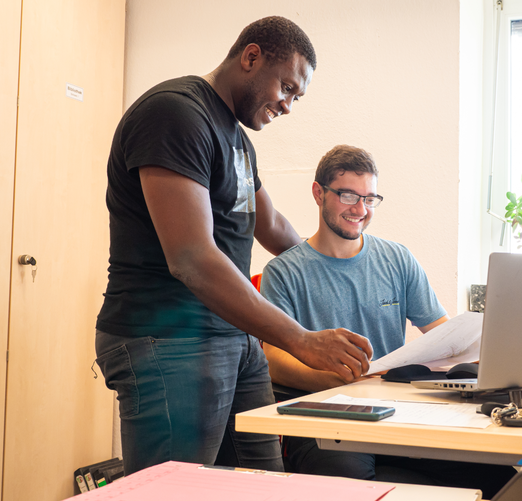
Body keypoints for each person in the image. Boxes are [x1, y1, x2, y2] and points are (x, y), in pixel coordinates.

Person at [94, 17, 373, 476]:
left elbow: (272, 225)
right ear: (251, 57)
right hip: (168, 339)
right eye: (286, 87)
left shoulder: (237, 139)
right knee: (175, 490)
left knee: (262, 484)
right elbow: (192, 259)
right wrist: (300, 340)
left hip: (234, 339)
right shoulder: (175, 113)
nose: (288, 106)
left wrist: (341, 264)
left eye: (297, 97)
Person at [260, 145, 515, 498]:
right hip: (325, 418)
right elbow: (273, 360)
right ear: (319, 193)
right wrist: (336, 383)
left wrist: (482, 358)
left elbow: (444, 336)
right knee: (348, 480)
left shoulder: (397, 259)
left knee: (501, 476)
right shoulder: (284, 272)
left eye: (370, 198)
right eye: (348, 196)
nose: (360, 209)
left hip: (397, 412)